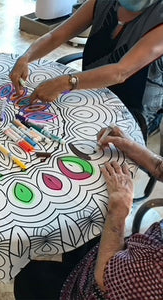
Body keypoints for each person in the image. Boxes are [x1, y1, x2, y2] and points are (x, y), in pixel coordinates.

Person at [14, 125, 163, 299]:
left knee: (28, 278)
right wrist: (149, 158)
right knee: (81, 230)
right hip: (133, 259)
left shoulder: (157, 264)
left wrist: (119, 210)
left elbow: (104, 278)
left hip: (101, 286)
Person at [10, 0, 163, 135]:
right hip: (89, 91)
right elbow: (55, 36)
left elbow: (120, 72)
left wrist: (66, 82)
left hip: (131, 109)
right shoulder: (103, 3)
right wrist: (26, 56)